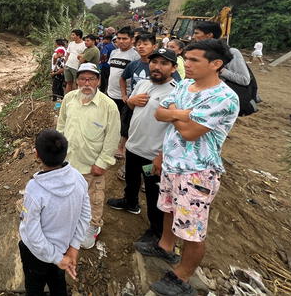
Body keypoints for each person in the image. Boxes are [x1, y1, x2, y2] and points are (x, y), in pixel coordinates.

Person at [136, 39, 239, 296]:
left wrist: (175, 114)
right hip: (172, 162)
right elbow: (159, 113)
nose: (187, 64)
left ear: (216, 64)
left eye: (194, 60)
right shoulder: (184, 85)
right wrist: (183, 114)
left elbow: (191, 133)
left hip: (197, 171)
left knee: (192, 228)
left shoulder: (224, 97)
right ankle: (166, 246)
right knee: (170, 209)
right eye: (187, 58)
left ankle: (182, 276)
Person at [107, 48, 179, 245]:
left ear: (173, 68)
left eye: (164, 63)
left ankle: (156, 231)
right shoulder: (143, 83)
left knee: (153, 191)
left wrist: (161, 156)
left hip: (152, 155)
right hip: (133, 147)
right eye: (154, 62)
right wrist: (131, 100)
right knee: (131, 179)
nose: (157, 67)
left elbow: (176, 130)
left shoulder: (175, 92)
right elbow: (131, 106)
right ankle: (130, 202)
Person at [19, 129, 90, 296]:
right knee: (58, 283)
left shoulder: (35, 190)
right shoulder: (78, 178)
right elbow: (85, 215)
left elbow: (33, 233)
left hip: (36, 255)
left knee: (34, 286)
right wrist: (73, 248)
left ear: (37, 154)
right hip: (63, 247)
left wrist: (57, 257)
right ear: (65, 153)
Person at [56, 63, 120, 249]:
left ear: (98, 81)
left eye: (91, 79)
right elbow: (61, 126)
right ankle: (72, 221)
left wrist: (103, 162)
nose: (87, 83)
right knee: (69, 194)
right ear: (76, 81)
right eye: (83, 78)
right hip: (68, 162)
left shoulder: (108, 106)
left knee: (94, 198)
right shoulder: (69, 99)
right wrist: (59, 153)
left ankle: (92, 227)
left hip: (92, 165)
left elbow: (112, 137)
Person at [194, 21, 257, 116]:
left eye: (196, 33)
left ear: (209, 35)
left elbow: (244, 80)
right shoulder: (200, 52)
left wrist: (220, 70)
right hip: (202, 100)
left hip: (220, 104)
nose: (193, 36)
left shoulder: (232, 53)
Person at [106, 27, 140, 159]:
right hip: (111, 93)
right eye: (119, 38)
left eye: (124, 38)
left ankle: (121, 148)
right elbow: (112, 72)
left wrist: (128, 95)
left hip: (126, 96)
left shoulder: (135, 56)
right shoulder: (114, 53)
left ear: (132, 40)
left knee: (125, 123)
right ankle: (109, 144)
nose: (121, 41)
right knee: (111, 120)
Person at [63, 29, 86, 93]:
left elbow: (85, 57)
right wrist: (65, 64)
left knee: (76, 83)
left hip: (76, 67)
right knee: (68, 82)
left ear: (78, 36)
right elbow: (67, 54)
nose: (71, 36)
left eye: (73, 35)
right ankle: (67, 98)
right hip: (68, 65)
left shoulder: (84, 45)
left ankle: (76, 99)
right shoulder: (71, 43)